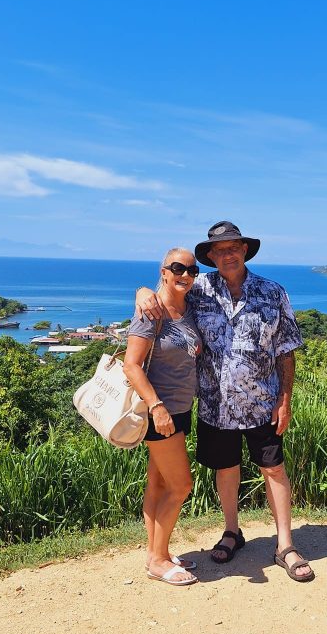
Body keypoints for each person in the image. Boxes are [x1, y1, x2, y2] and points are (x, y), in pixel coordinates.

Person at [137, 221, 314, 582]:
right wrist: (141, 292)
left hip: (262, 402)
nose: (228, 255)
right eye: (220, 250)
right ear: (212, 257)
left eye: (233, 247)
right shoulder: (199, 289)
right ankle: (232, 531)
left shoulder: (272, 292)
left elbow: (286, 351)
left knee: (274, 469)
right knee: (226, 468)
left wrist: (285, 399)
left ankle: (285, 545)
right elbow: (166, 294)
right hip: (215, 405)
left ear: (245, 250)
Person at [124, 247, 203, 587]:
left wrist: (140, 289)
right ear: (164, 271)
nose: (186, 275)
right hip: (160, 413)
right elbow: (131, 365)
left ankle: (158, 553)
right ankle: (158, 560)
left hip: (181, 409)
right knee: (181, 485)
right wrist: (156, 406)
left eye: (192, 270)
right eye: (178, 268)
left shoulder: (189, 306)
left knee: (158, 483)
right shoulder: (150, 311)